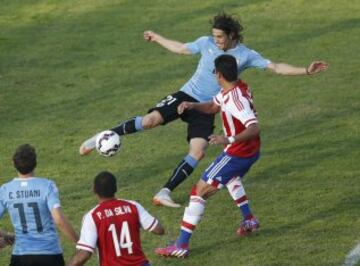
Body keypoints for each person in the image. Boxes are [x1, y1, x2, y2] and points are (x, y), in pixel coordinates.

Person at [79, 13, 328, 208]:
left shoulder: (246, 55)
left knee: (197, 152)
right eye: (214, 36)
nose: (216, 41)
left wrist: (305, 70)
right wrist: (156, 37)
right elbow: (181, 48)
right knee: (150, 121)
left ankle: (164, 192)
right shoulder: (206, 43)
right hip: (185, 95)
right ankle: (99, 138)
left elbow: (275, 67)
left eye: (220, 37)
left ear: (231, 35)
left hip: (208, 107)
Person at [155, 54, 261, 258]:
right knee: (231, 179)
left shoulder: (236, 99)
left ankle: (181, 245)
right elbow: (214, 106)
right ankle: (249, 219)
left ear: (218, 74)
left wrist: (227, 139)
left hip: (239, 152)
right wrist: (192, 105)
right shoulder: (234, 88)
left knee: (198, 191)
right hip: (246, 150)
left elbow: (254, 127)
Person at [0, 144, 78, 266]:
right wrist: (78, 242)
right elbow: (59, 220)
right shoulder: (47, 186)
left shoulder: (5, 190)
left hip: (21, 257)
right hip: (50, 255)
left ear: (13, 163)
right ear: (35, 163)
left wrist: (5, 235)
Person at [68, 171, 165, 266]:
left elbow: (84, 254)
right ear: (115, 188)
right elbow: (159, 230)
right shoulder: (133, 206)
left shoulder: (92, 217)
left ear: (94, 190)